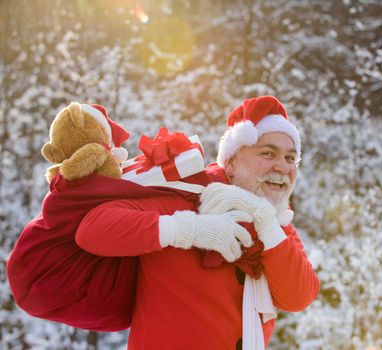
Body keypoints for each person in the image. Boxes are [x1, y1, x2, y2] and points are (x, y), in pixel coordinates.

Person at [75, 95, 320, 350]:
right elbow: (93, 229)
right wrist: (190, 230)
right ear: (232, 162)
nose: (282, 167)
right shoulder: (191, 195)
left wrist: (265, 222)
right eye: (268, 153)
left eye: (291, 158)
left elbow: (299, 296)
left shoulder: (277, 224)